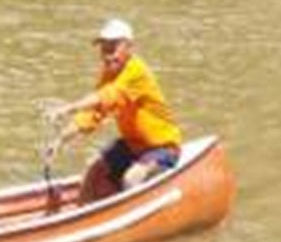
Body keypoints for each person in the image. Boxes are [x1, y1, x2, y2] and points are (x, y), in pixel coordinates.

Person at [43, 18, 183, 204]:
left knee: (131, 178)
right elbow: (93, 114)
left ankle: (130, 223)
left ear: (129, 47)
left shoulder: (136, 72)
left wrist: (68, 108)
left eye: (112, 49)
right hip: (133, 145)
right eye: (104, 49)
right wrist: (60, 140)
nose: (107, 56)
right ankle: (82, 214)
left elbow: (106, 96)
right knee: (93, 171)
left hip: (162, 148)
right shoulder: (109, 74)